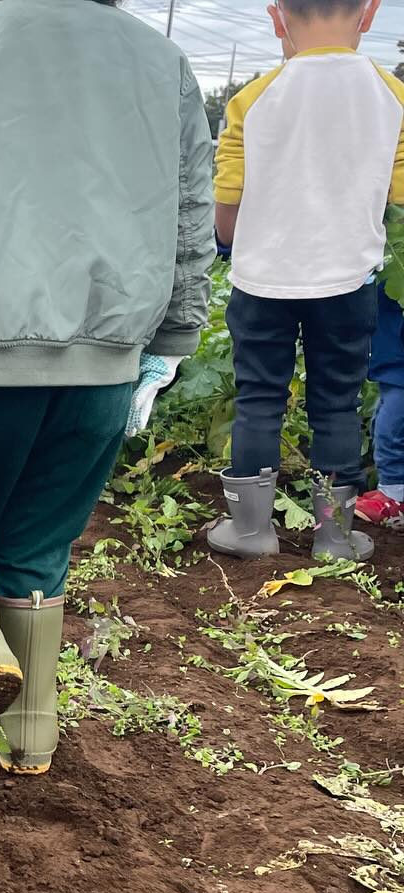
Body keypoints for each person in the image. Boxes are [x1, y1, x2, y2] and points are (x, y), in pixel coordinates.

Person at [0, 0, 214, 776]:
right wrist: (171, 340)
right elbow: (192, 218)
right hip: (107, 358)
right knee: (38, 541)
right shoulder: (164, 63)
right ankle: (31, 739)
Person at [208, 0, 401, 561]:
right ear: (369, 13)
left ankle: (249, 531)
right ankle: (335, 536)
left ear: (276, 16)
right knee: (337, 402)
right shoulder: (393, 95)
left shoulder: (254, 96)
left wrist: (229, 245)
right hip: (346, 281)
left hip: (262, 280)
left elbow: (228, 204)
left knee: (260, 397)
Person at [360, 283, 404, 528]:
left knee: (392, 426)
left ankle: (394, 499)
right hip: (391, 356)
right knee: (385, 418)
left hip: (397, 361)